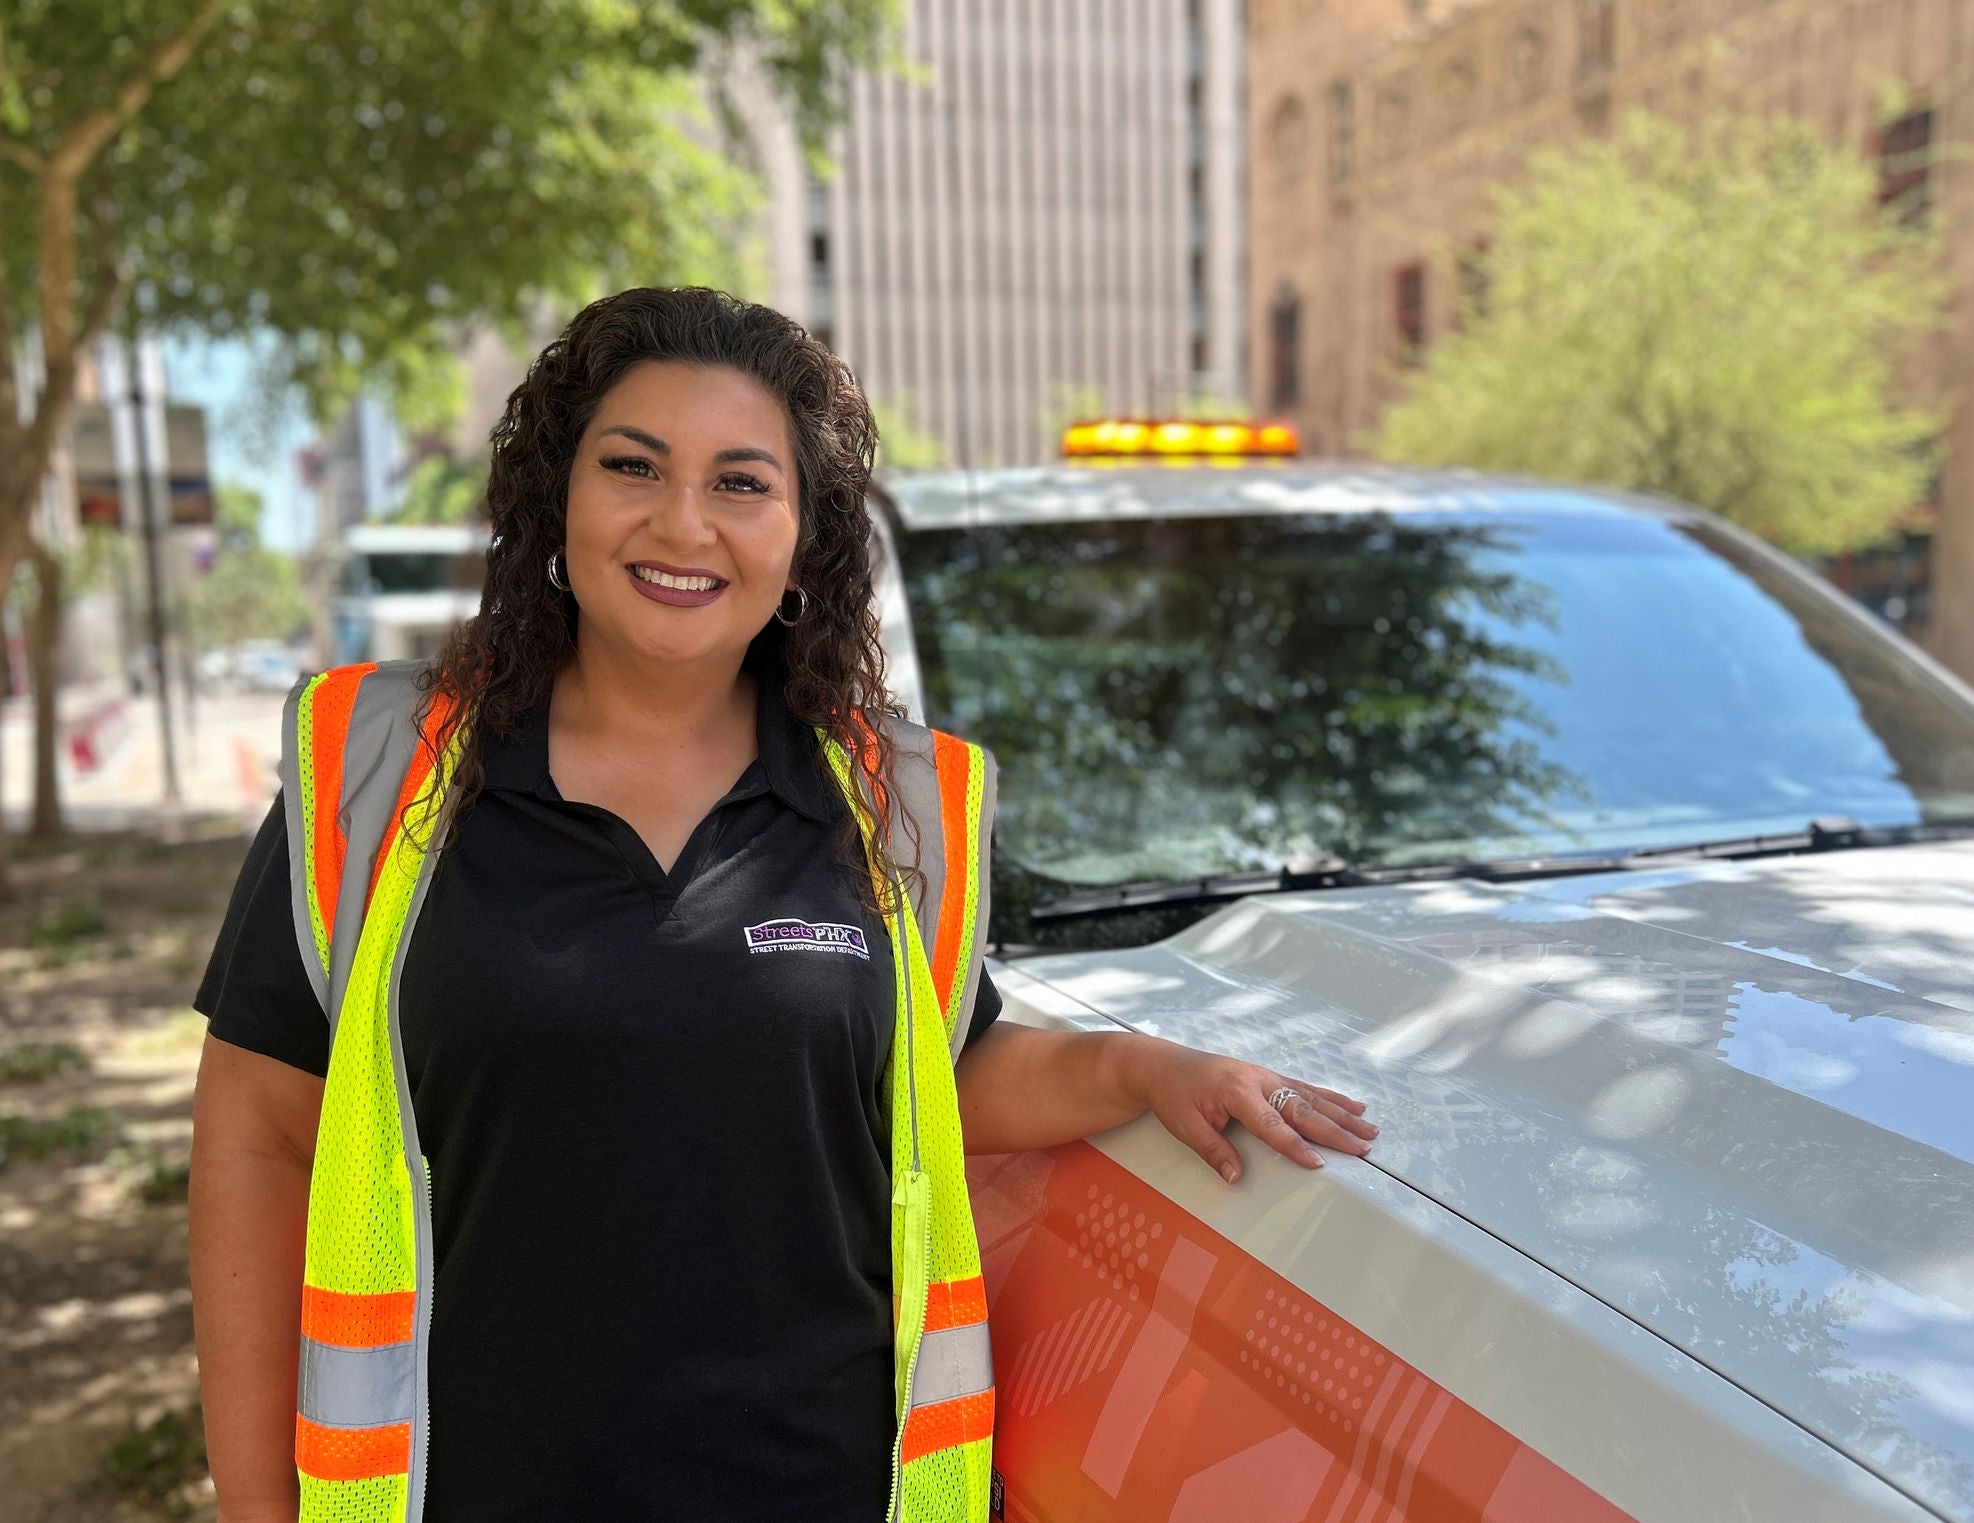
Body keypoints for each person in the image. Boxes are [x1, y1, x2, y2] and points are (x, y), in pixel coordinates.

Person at [188, 287, 1377, 1523]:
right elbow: (257, 1142)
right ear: (557, 497)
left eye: (742, 482)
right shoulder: (375, 773)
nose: (682, 521)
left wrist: (1139, 1069)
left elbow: (924, 1078)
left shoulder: (897, 800)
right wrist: (257, 1507)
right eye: (632, 465)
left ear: (805, 535)